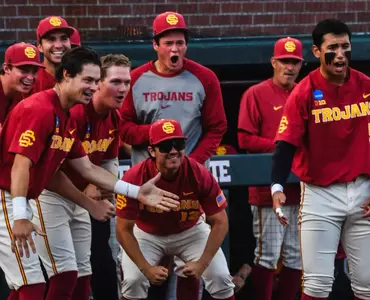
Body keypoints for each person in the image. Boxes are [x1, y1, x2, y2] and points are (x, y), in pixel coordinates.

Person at [0, 46, 179, 300]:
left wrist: (135, 191)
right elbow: (21, 165)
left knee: (56, 280)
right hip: (8, 196)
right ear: (65, 76)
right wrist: (19, 215)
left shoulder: (66, 115)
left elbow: (84, 168)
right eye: (88, 80)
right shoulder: (40, 109)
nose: (94, 87)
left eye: (96, 81)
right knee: (33, 286)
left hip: (28, 197)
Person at [270, 19, 370, 300]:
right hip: (320, 194)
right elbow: (285, 144)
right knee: (317, 285)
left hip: (364, 189)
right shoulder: (304, 91)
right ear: (316, 52)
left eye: (345, 47)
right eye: (333, 48)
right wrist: (277, 187)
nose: (340, 54)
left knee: (369, 284)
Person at [119, 11, 227, 298]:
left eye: (180, 42)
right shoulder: (136, 79)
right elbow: (123, 128)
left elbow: (217, 126)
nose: (175, 49)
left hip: (189, 178)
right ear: (155, 45)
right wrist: (156, 135)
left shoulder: (204, 77)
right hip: (145, 181)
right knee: (148, 262)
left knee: (191, 262)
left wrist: (196, 160)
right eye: (168, 43)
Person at [30, 53, 132, 300]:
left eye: (127, 82)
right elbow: (51, 170)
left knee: (86, 273)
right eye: (115, 82)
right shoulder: (72, 112)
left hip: (83, 201)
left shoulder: (113, 116)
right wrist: (89, 191)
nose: (123, 89)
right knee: (55, 277)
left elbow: (107, 159)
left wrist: (103, 186)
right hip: (48, 195)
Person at [116, 119, 235, 300]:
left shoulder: (198, 172)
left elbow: (221, 221)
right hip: (147, 233)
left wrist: (202, 263)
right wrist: (146, 268)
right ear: (151, 151)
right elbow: (123, 229)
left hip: (190, 230)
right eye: (164, 146)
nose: (173, 151)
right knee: (134, 281)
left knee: (220, 278)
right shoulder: (135, 176)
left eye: (178, 144)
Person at [238, 36, 303, 300]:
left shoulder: (305, 91)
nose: (289, 67)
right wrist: (282, 145)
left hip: (301, 188)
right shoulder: (256, 93)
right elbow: (244, 139)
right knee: (267, 255)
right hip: (268, 190)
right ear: (273, 62)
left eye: (295, 62)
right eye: (284, 61)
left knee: (297, 257)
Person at [0, 42, 44, 125]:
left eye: (35, 71)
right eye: (24, 71)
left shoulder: (31, 93)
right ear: (6, 69)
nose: (30, 77)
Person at [34, 16, 74, 92]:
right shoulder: (32, 79)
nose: (58, 45)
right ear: (40, 46)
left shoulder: (79, 76)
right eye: (51, 39)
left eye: (63, 38)